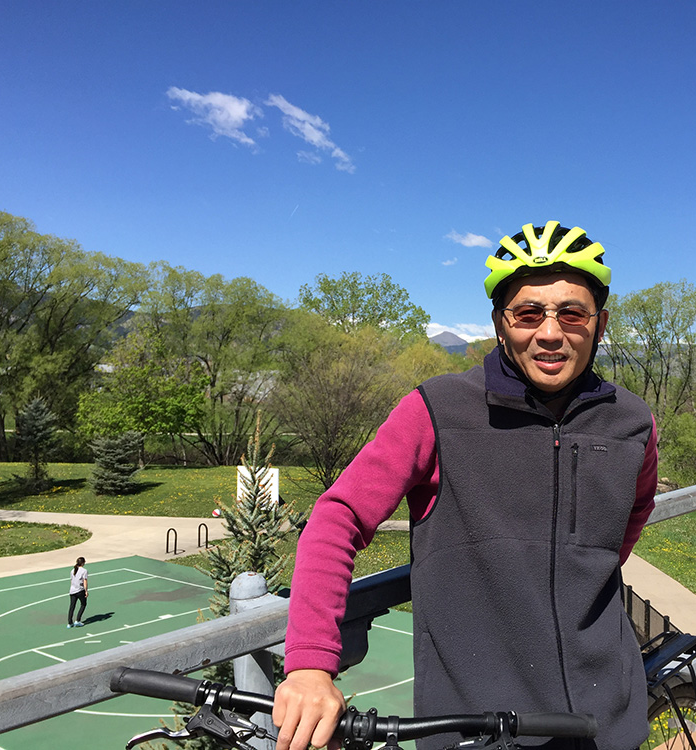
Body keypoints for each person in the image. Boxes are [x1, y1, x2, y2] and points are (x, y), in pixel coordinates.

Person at [274, 221, 658, 750]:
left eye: (571, 312)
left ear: (600, 322)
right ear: (501, 325)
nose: (550, 332)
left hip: (605, 718)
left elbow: (629, 522)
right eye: (528, 313)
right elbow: (337, 517)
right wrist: (311, 667)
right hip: (475, 725)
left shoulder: (632, 422)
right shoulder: (436, 411)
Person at [68, 556, 88, 628]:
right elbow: (85, 581)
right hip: (80, 590)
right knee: (83, 604)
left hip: (72, 591)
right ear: (82, 563)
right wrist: (86, 591)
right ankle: (78, 620)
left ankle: (70, 623)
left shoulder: (72, 570)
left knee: (72, 606)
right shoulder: (84, 571)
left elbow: (71, 581)